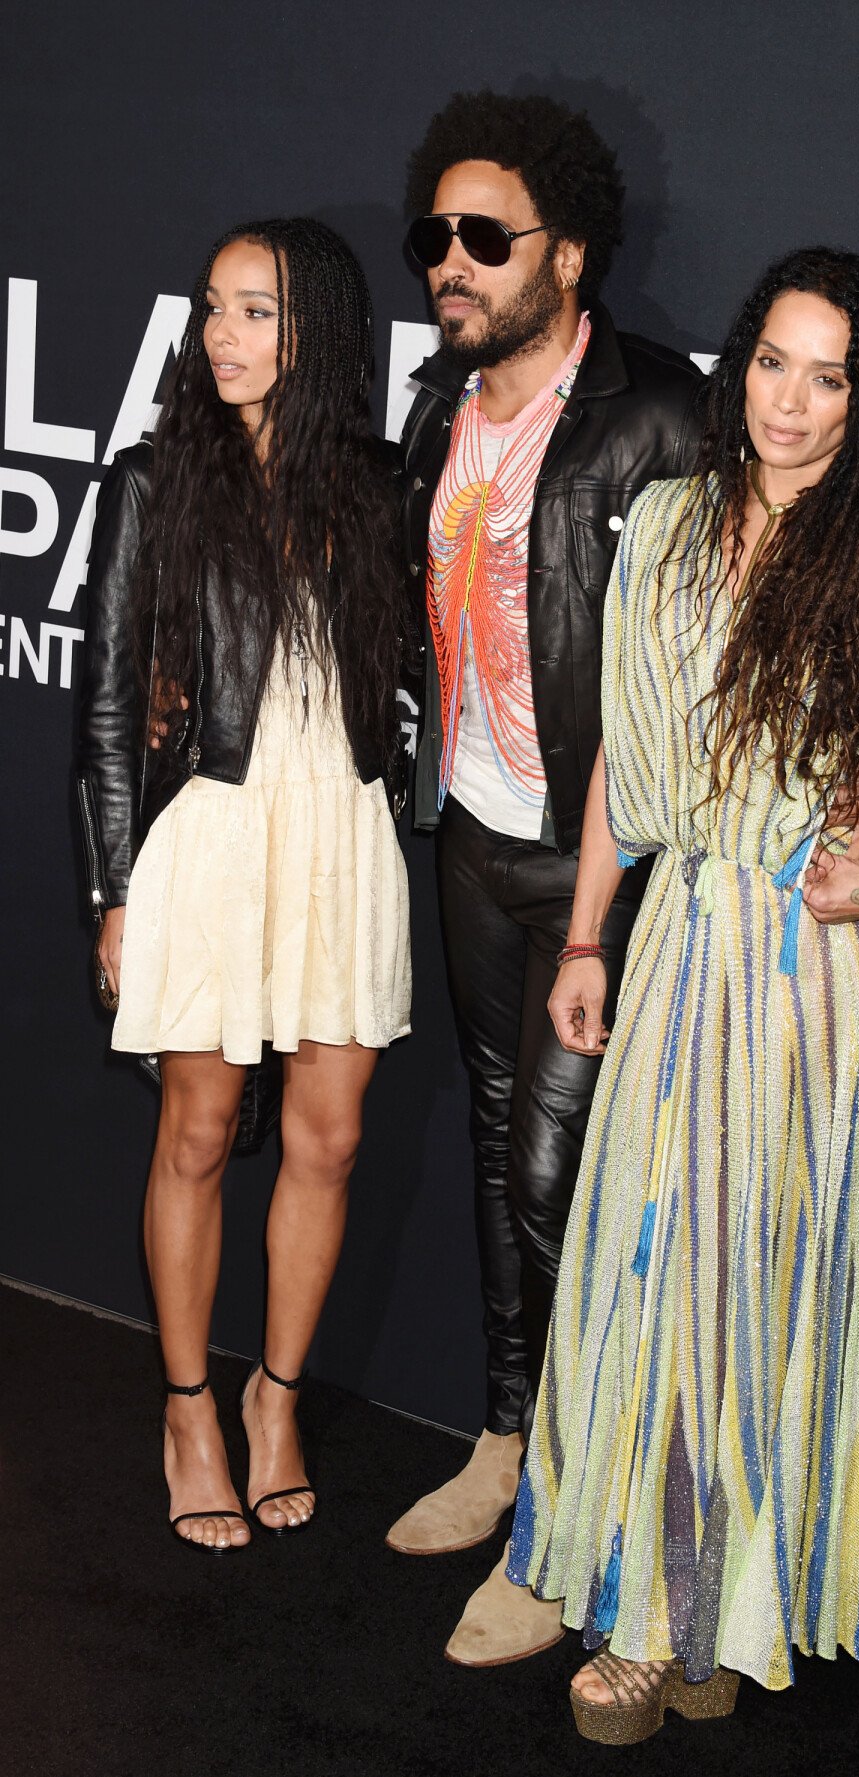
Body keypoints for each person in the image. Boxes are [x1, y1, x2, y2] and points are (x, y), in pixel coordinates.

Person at [506, 247, 859, 1742]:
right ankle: (647, 1615)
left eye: (828, 373)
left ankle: (715, 1607)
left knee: (767, 1287)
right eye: (772, 360)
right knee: (653, 1278)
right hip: (683, 943)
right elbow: (621, 776)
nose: (789, 399)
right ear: (740, 364)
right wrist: (586, 942)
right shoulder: (667, 529)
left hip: (817, 980)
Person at [381, 91, 708, 1662]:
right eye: (434, 234)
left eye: (484, 236)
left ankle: (573, 1522)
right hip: (470, 830)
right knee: (497, 1143)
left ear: (567, 254)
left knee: (560, 1183)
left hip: (602, 865)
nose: (448, 260)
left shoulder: (660, 413)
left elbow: (714, 651)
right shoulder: (441, 408)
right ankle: (511, 1443)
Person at [76, 217, 415, 1552]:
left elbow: (418, 678)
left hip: (341, 833)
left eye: (257, 311)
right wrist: (112, 885)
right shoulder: (156, 478)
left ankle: (274, 1397)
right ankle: (186, 1411)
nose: (223, 334)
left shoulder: (380, 486)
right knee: (199, 1135)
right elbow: (106, 710)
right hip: (210, 836)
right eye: (213, 306)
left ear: (317, 328)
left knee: (328, 1137)